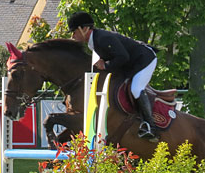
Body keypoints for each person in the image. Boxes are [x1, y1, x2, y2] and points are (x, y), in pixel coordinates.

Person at [68, 11, 158, 140]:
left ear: (85, 29)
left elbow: (123, 57)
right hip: (130, 64)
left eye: (74, 31)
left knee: (136, 88)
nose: (73, 36)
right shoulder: (93, 41)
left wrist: (106, 65)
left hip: (144, 60)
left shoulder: (103, 38)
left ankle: (151, 127)